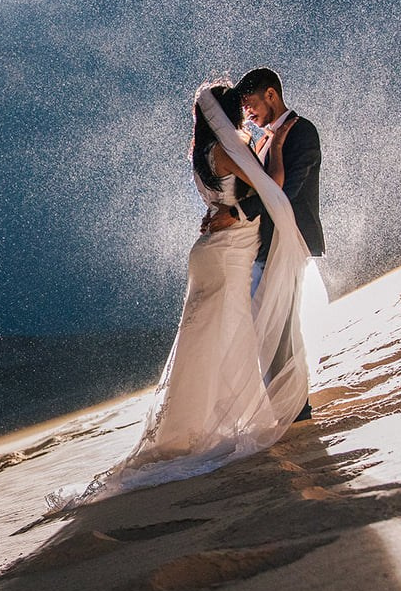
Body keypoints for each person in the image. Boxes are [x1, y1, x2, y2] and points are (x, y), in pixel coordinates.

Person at [47, 79, 309, 509]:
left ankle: (189, 426)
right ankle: (223, 423)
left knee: (201, 343)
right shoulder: (227, 151)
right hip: (228, 255)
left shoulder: (203, 155)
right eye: (237, 109)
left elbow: (230, 198)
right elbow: (273, 185)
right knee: (232, 338)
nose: (245, 115)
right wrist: (277, 145)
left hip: (211, 252)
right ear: (224, 116)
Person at [233, 67, 325, 419]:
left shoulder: (302, 131)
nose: (248, 113)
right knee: (269, 329)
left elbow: (283, 193)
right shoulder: (261, 139)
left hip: (290, 242)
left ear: (271, 94)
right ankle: (287, 407)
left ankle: (295, 412)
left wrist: (237, 212)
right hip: (263, 247)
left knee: (279, 328)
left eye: (251, 103)